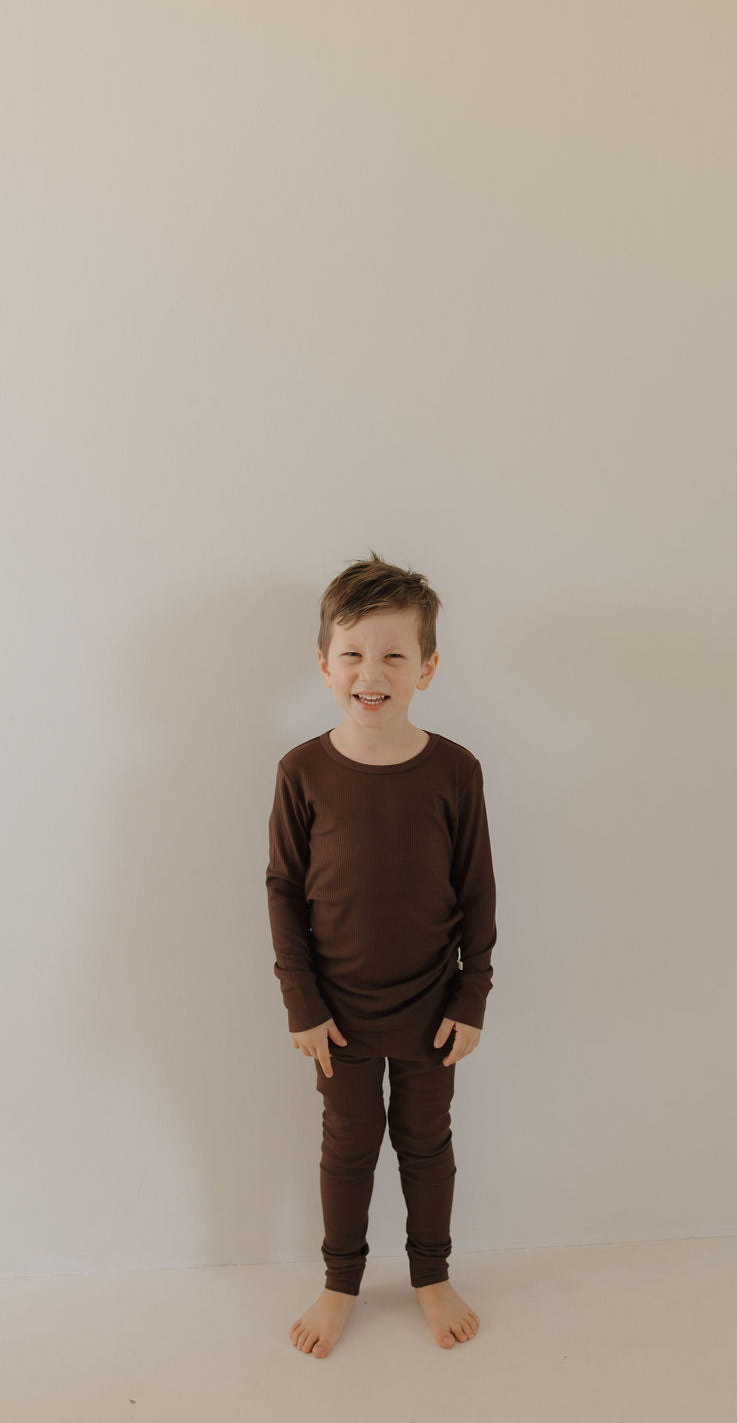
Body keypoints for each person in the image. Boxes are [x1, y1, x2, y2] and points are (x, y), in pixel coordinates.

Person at [265, 550, 497, 1357]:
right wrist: (303, 1002)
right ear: (324, 664)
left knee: (427, 1145)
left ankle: (430, 1274)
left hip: (434, 1006)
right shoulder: (301, 772)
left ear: (427, 667)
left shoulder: (455, 771)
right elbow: (284, 893)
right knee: (349, 1144)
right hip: (338, 1015)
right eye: (354, 653)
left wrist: (472, 998)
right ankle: (341, 1282)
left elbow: (478, 895)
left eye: (395, 654)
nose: (374, 671)